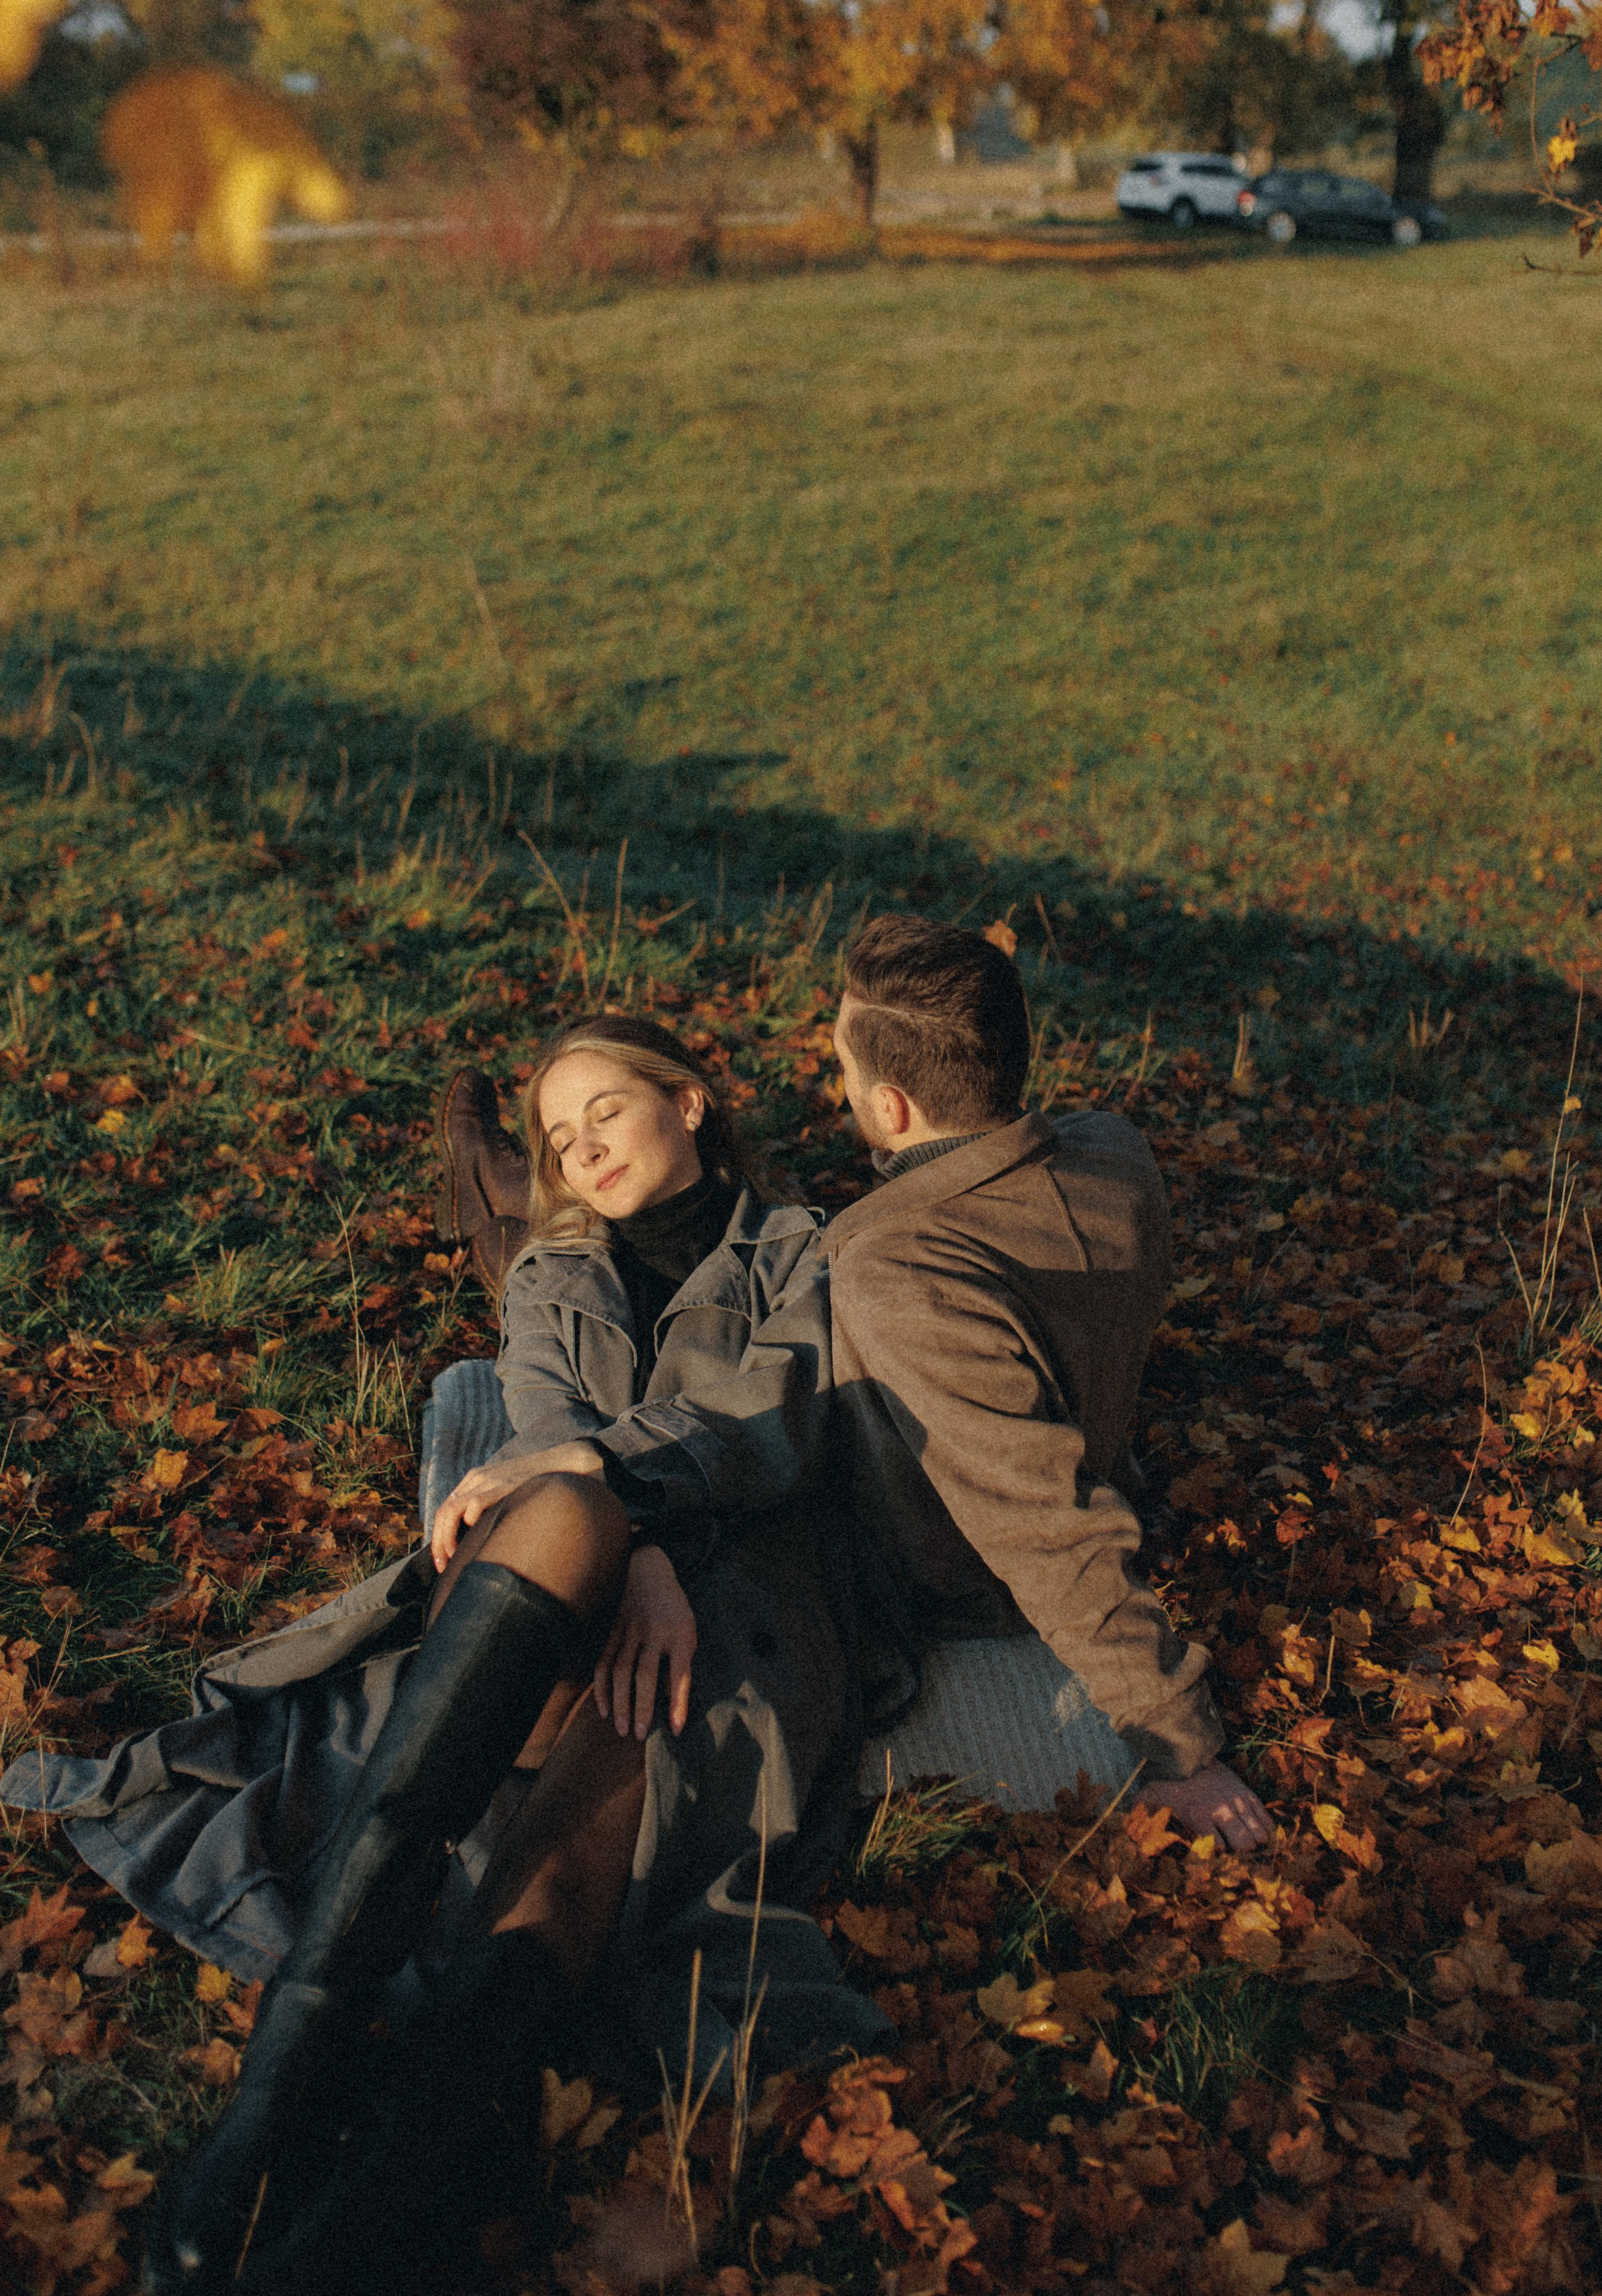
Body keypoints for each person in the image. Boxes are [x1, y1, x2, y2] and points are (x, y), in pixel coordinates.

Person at [3, 1017, 884, 2294]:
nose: (582, 1153)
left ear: (690, 1103)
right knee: (564, 1512)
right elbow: (544, 1428)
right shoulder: (549, 1269)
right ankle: (285, 2076)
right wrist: (630, 1539)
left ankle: (420, 2159)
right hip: (580, 1568)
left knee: (632, 1766)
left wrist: (643, 1530)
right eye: (558, 1140)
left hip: (742, 1587)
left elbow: (777, 1424)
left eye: (607, 1114)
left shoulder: (797, 1246)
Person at [826, 914, 1273, 1852]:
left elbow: (1041, 1516)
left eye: (846, 1070)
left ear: (895, 1107)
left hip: (920, 1569)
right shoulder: (1114, 1150)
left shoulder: (903, 1274)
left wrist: (1178, 1744)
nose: (842, 1088)